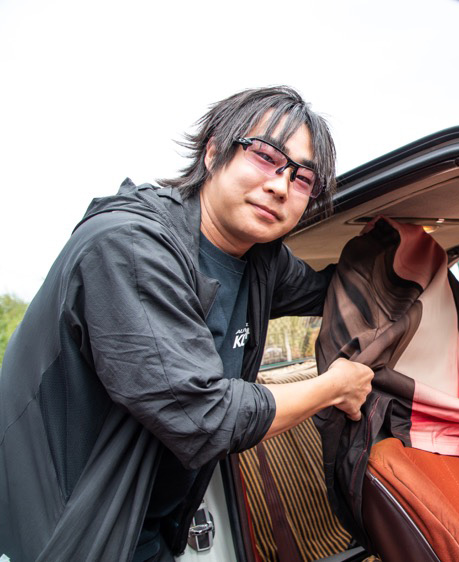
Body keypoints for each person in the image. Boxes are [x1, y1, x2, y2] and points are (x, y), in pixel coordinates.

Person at [0, 86, 373, 562]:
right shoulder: (128, 247)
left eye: (303, 179)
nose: (281, 186)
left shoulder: (262, 261)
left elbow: (332, 292)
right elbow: (203, 415)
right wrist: (335, 386)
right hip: (72, 535)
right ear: (214, 151)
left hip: (149, 529)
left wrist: (398, 252)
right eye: (266, 157)